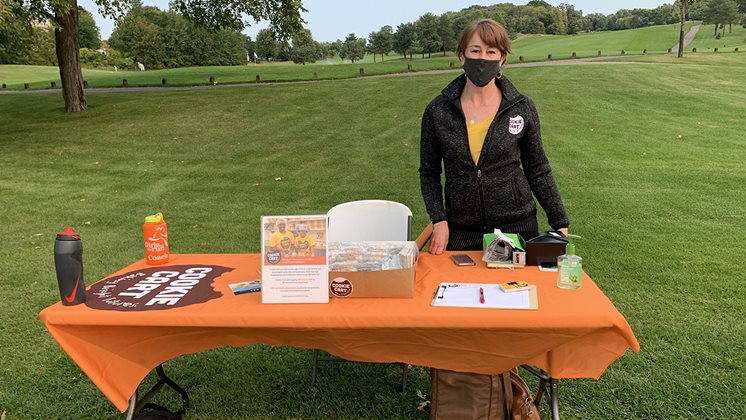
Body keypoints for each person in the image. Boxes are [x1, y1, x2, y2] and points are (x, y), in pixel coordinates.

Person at [420, 18, 569, 255]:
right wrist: (439, 220)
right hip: (461, 230)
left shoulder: (521, 107)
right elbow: (429, 172)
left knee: (518, 290)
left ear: (502, 60)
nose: (483, 59)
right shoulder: (437, 111)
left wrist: (560, 223)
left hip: (517, 226)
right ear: (462, 56)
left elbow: (538, 167)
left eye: (491, 52)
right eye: (475, 50)